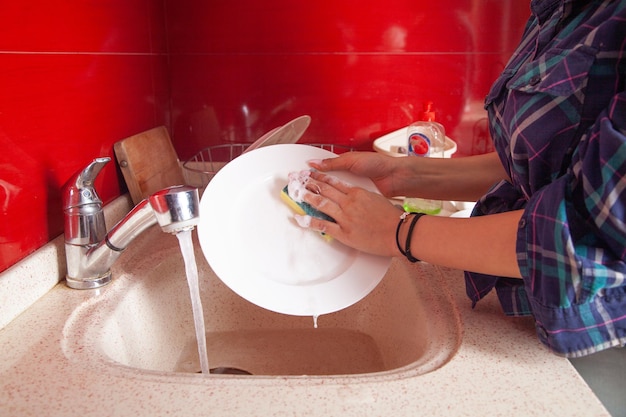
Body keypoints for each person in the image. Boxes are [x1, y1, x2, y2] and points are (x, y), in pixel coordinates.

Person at [293, 0, 626, 358]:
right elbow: (541, 168)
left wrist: (397, 231)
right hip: (532, 311)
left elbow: (589, 234)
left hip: (597, 338)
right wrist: (401, 174)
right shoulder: (567, 10)